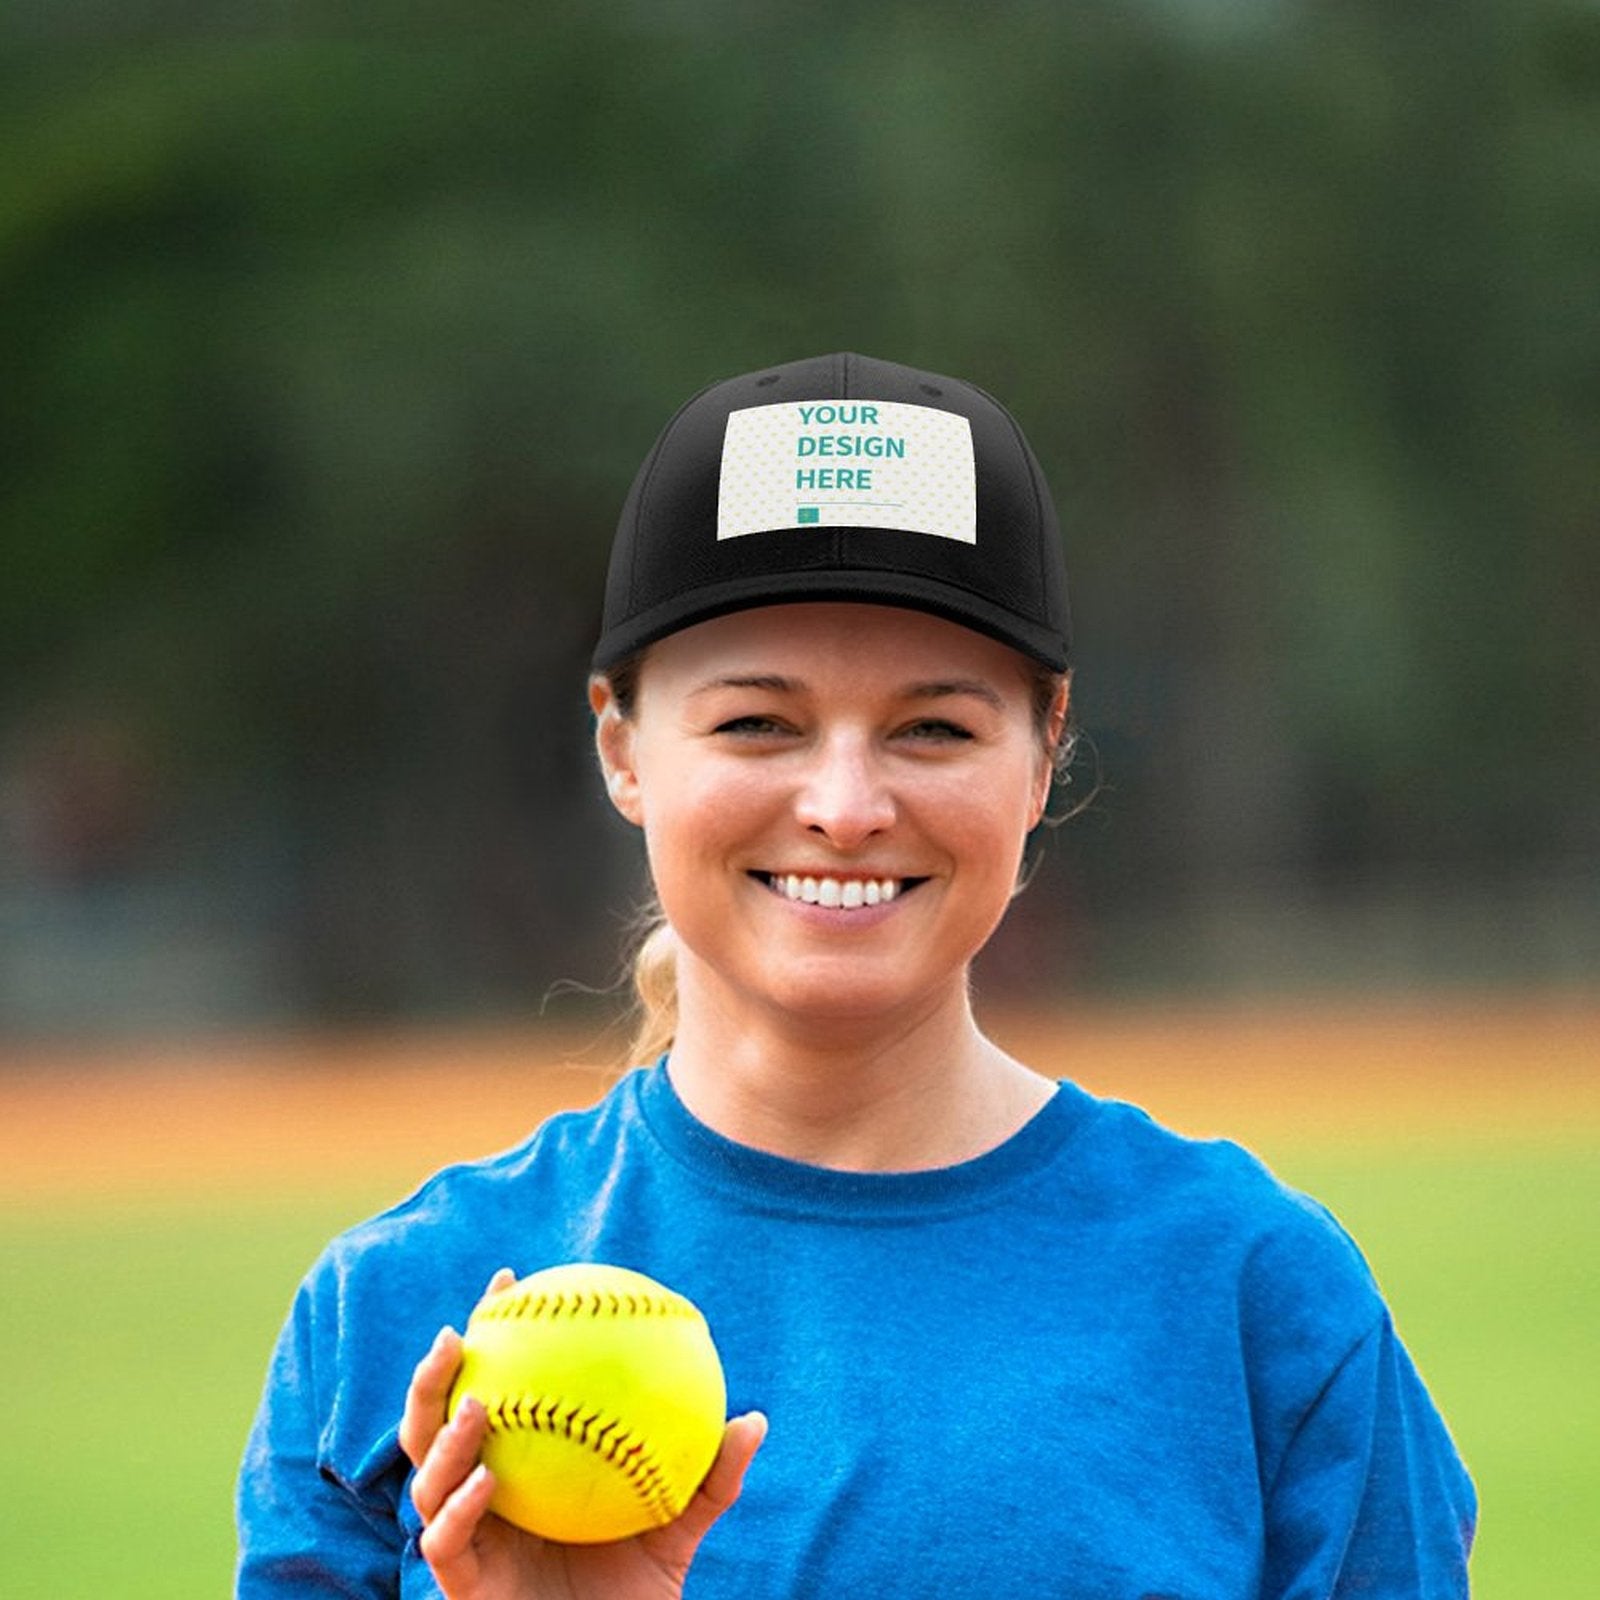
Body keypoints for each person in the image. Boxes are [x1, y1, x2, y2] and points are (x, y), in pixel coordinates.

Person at [236, 352, 1477, 1599]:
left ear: (1042, 758)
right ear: (621, 747)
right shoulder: (399, 1320)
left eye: (932, 726)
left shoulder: (1252, 1294)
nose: (843, 806)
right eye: (756, 723)